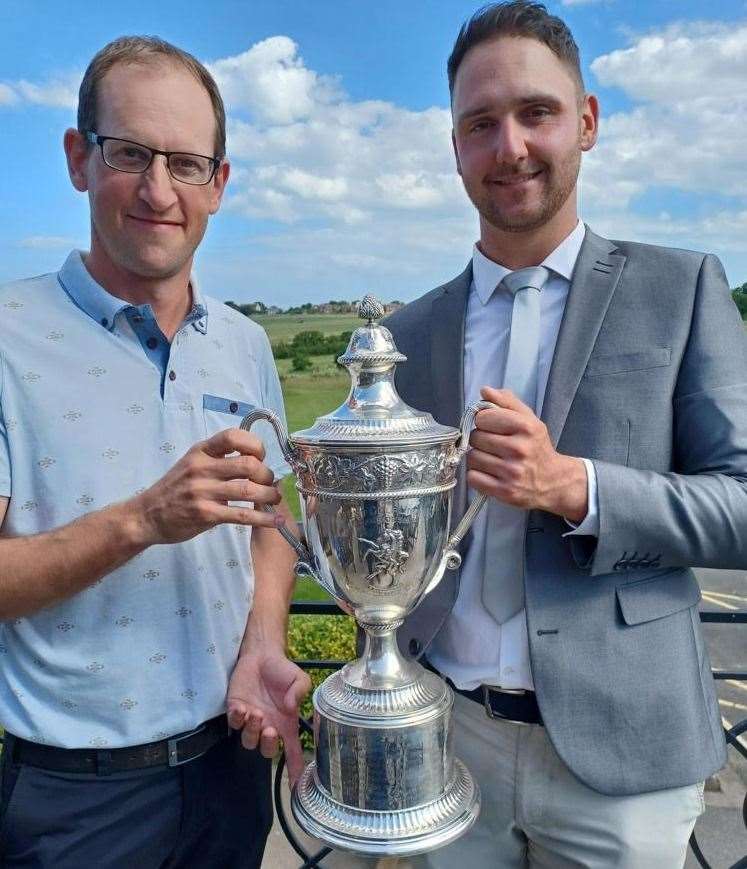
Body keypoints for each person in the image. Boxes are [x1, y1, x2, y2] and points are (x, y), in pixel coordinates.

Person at [385, 3, 747, 866]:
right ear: (455, 149)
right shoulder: (410, 330)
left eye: (534, 112)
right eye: (480, 124)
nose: (508, 146)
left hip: (620, 763)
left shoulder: (681, 286)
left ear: (584, 122)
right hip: (447, 743)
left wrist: (572, 486)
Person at [0, 36, 310, 868]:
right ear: (78, 158)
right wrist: (141, 519)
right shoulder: (5, 336)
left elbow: (269, 516)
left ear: (220, 183)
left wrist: (264, 643)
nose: (158, 190)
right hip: (78, 802)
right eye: (130, 153)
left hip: (230, 768)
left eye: (187, 163)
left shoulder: (244, 343)